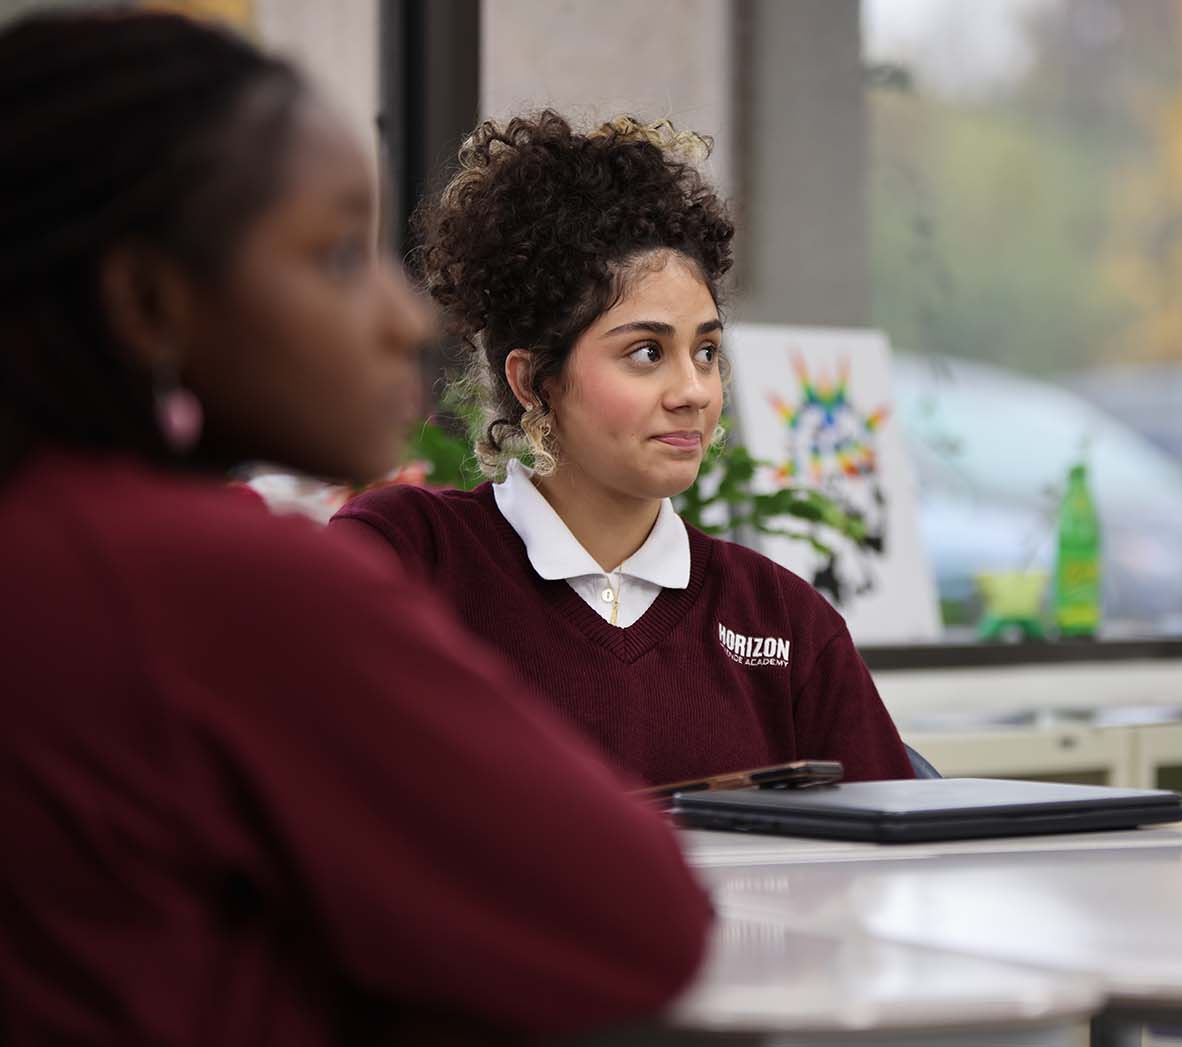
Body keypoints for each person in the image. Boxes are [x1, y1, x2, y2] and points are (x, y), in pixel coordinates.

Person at [0, 12, 711, 1046]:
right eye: (338, 257)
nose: (405, 319)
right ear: (149, 302)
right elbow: (643, 923)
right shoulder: (219, 585)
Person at [331, 111, 914, 787]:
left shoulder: (785, 622)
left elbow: (890, 868)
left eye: (706, 350)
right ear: (532, 380)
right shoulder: (404, 562)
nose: (694, 390)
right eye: (646, 352)